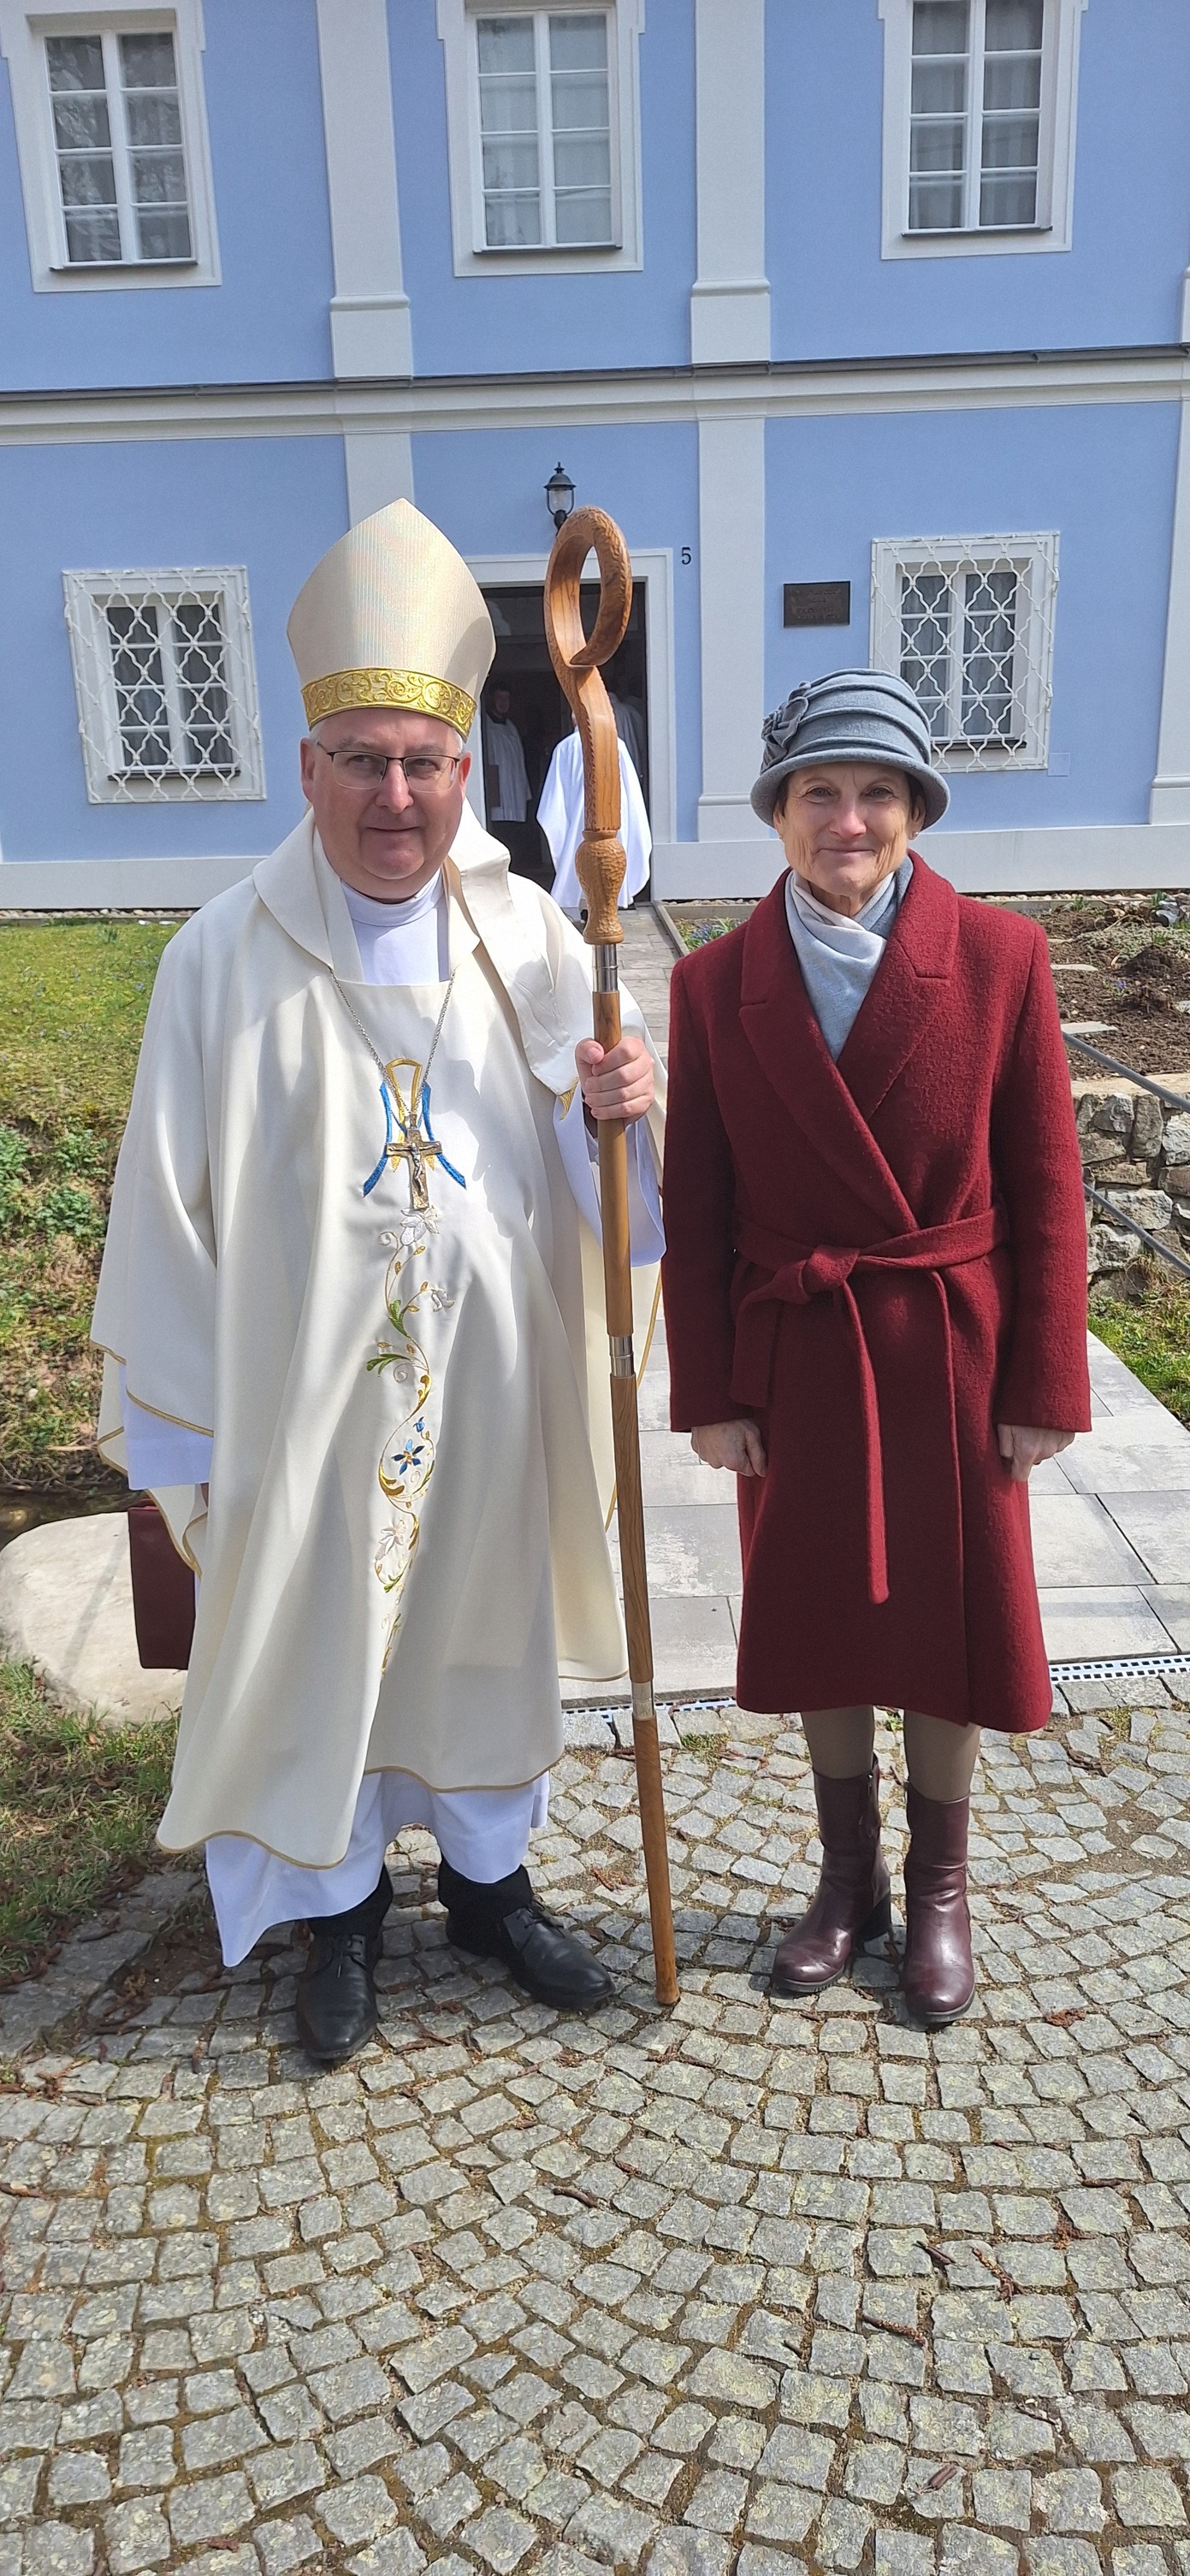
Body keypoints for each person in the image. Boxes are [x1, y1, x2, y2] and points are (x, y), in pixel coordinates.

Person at [92, 499, 664, 2065]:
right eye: (361, 761)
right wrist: (184, 1441)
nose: (394, 796)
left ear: (464, 773)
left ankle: (488, 1888)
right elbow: (165, 1205)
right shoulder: (218, 959)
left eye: (422, 763)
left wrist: (616, 1113)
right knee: (320, 1636)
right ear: (307, 770)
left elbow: (608, 1200)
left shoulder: (536, 937)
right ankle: (338, 1912)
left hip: (489, 1387)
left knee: (478, 1628)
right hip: (304, 1401)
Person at [660, 670, 1090, 2026]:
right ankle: (843, 1883)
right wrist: (710, 1390)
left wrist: (1041, 1381)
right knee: (819, 1615)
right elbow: (694, 1202)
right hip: (797, 1349)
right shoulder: (712, 983)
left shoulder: (1000, 958)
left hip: (948, 1349)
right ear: (777, 813)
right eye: (817, 793)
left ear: (913, 813)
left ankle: (939, 1887)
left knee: (948, 1622)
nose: (844, 820)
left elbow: (1048, 1186)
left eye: (874, 794)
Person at [539, 715, 651, 912]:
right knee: (610, 864)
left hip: (579, 824)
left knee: (579, 861)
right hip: (613, 820)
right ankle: (609, 908)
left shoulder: (565, 748)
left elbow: (553, 804)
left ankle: (585, 907)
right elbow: (632, 793)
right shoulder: (616, 745)